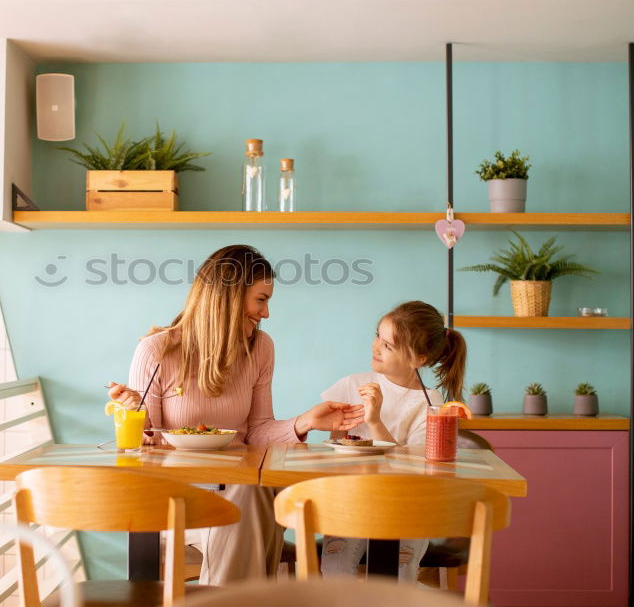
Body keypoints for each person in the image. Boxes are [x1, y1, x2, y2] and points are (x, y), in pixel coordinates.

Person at [107, 244, 363, 585]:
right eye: (261, 299)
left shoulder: (260, 348)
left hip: (242, 490)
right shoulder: (157, 350)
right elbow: (146, 449)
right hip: (179, 497)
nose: (266, 313)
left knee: (251, 490)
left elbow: (257, 431)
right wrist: (133, 411)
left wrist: (307, 422)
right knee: (253, 497)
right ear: (228, 297)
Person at [318, 300, 467, 582]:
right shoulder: (353, 385)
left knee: (397, 578)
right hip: (353, 500)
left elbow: (413, 467)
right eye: (378, 335)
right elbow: (335, 452)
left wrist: (375, 422)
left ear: (418, 359)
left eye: (388, 345)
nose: (375, 346)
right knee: (336, 572)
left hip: (408, 507)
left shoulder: (430, 404)